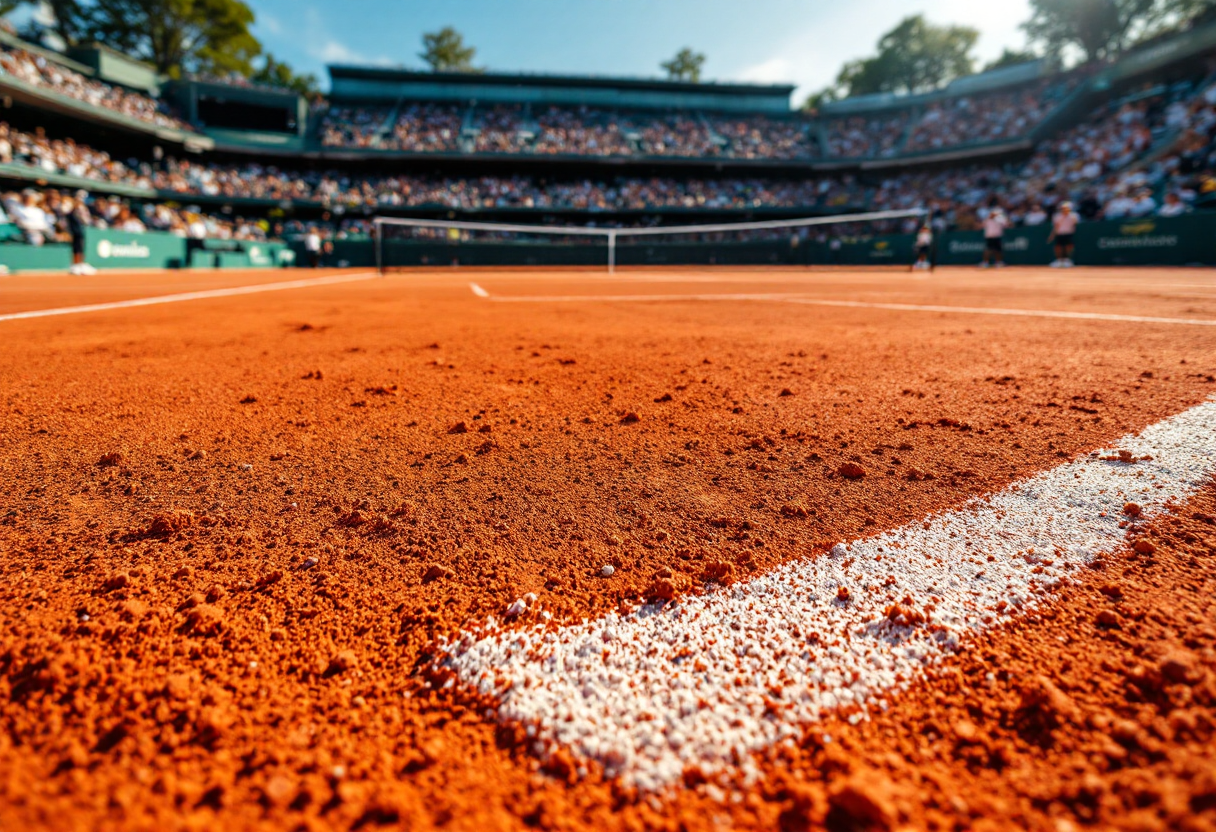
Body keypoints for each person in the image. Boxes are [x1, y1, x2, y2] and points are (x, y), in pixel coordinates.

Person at [1047, 201, 1079, 268]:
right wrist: (1052, 236)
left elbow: (1075, 225)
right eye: (1063, 208)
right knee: (1058, 247)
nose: (1064, 209)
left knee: (1069, 247)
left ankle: (1068, 261)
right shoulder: (1057, 216)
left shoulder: (1074, 216)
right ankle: (1059, 261)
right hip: (1059, 234)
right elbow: (1056, 226)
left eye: (1066, 208)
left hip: (1069, 233)